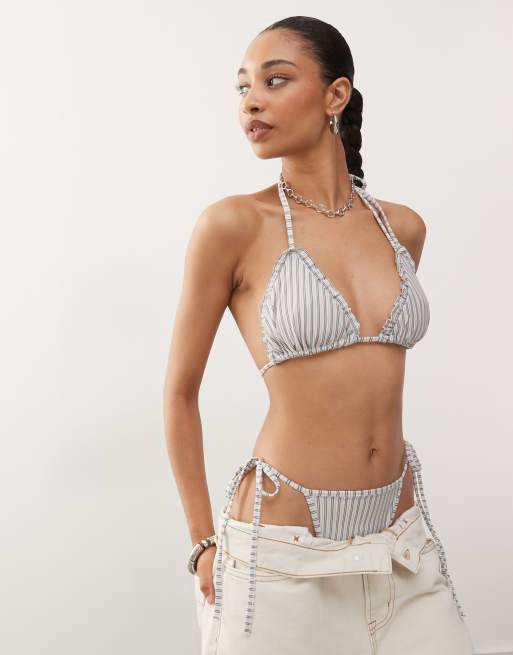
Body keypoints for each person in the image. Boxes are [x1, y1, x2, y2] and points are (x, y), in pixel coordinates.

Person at [163, 15, 476, 655]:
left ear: (336, 95)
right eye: (244, 86)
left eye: (275, 80)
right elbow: (179, 392)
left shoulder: (402, 229)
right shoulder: (232, 226)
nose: (251, 101)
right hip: (283, 554)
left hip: (401, 545)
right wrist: (201, 543)